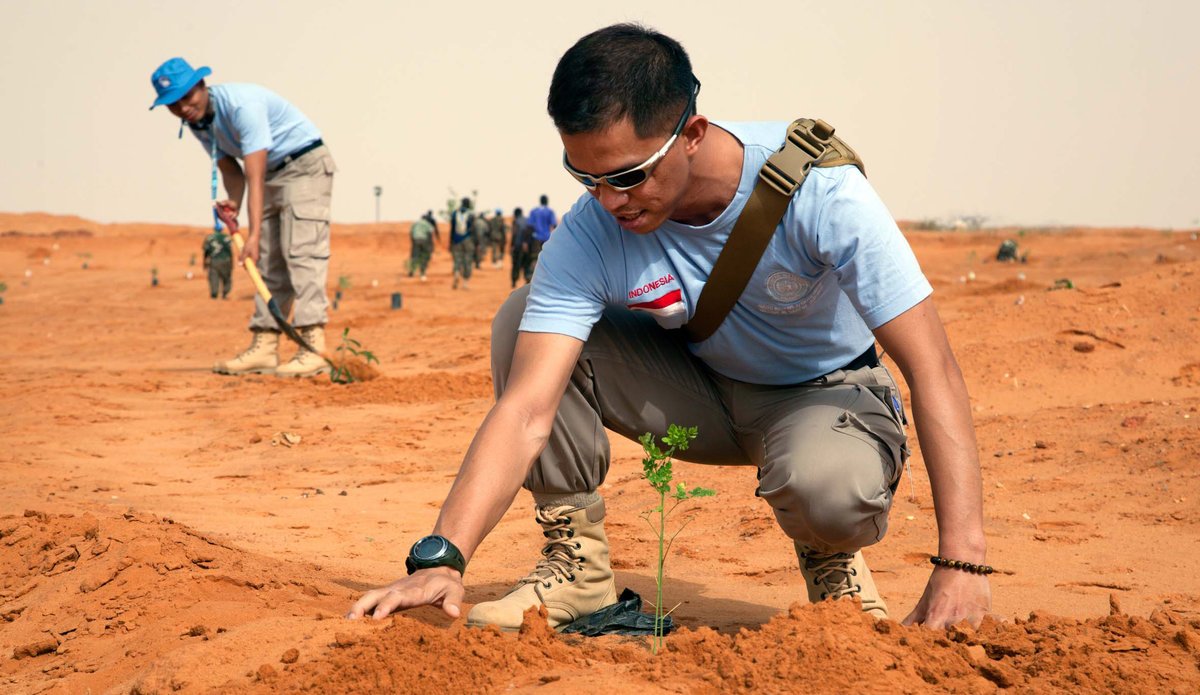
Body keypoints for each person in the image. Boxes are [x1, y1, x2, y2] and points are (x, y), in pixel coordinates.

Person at [349, 23, 990, 631]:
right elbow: (525, 412)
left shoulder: (824, 197)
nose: (610, 201)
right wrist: (443, 558)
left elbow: (932, 371)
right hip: (699, 392)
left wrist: (961, 562)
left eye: (629, 175)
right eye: (586, 176)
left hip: (819, 397)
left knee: (829, 492)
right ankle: (579, 571)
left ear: (692, 133)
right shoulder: (592, 229)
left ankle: (830, 557)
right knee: (523, 321)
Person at [150, 57, 336, 377]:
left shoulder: (242, 106)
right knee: (268, 263)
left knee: (301, 254)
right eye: (173, 104)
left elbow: (254, 170)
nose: (182, 108)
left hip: (303, 166)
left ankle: (313, 346)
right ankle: (265, 347)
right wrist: (233, 205)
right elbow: (231, 172)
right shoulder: (198, 122)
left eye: (187, 97)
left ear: (202, 86)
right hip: (271, 176)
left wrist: (253, 233)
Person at [449, 197, 475, 289]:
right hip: (468, 239)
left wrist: (451, 242)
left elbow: (452, 229)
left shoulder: (455, 213)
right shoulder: (471, 214)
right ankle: (465, 283)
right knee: (467, 261)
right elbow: (473, 229)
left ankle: (456, 273)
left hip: (456, 240)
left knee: (457, 259)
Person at [202, 228, 233, 299]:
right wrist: (231, 263)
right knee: (226, 278)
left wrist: (204, 262)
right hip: (226, 260)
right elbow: (230, 251)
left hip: (214, 261)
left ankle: (214, 293)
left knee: (214, 277)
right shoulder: (226, 238)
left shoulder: (210, 238)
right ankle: (225, 293)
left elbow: (206, 251)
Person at [408, 212, 438, 281]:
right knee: (424, 256)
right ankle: (423, 272)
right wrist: (431, 245)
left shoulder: (416, 223)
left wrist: (413, 242)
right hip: (424, 240)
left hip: (416, 240)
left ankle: (412, 271)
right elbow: (430, 234)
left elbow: (411, 233)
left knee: (415, 256)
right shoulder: (427, 224)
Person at [509, 207, 534, 288]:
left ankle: (514, 281)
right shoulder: (528, 220)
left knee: (516, 264)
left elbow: (514, 234)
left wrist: (512, 245)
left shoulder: (516, 221)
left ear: (515, 214)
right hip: (528, 247)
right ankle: (527, 280)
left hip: (518, 246)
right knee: (527, 264)